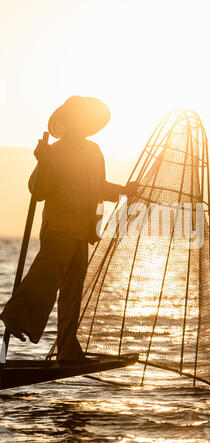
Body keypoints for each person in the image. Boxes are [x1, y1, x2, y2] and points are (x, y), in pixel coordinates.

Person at [0, 96, 138, 362]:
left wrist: (123, 190)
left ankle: (67, 347)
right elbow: (38, 191)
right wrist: (43, 160)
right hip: (60, 227)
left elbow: (98, 186)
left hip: (82, 229)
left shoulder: (93, 151)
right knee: (47, 276)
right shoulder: (55, 152)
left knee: (72, 290)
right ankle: (16, 316)